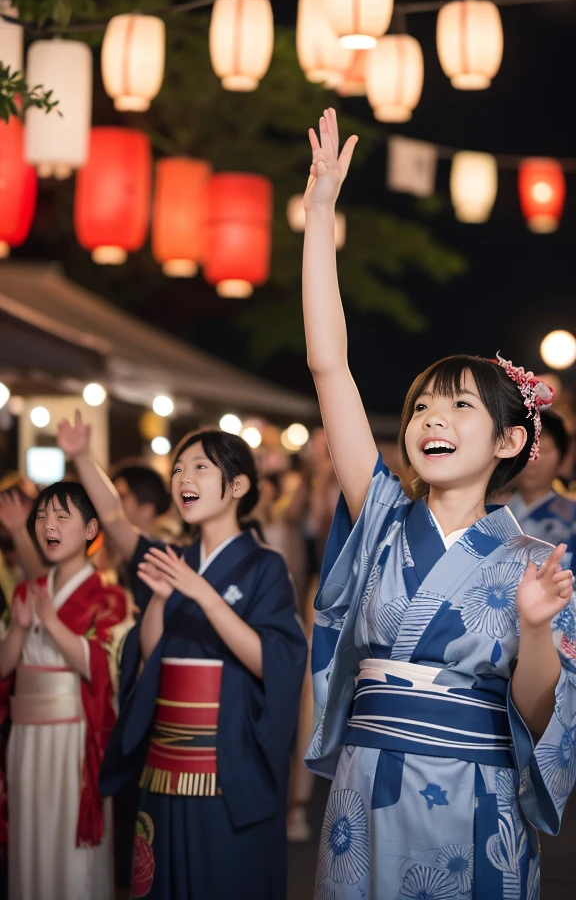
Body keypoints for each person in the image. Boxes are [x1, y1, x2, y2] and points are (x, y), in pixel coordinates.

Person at [302, 108, 576, 900]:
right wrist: (320, 216)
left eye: (459, 408)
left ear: (506, 443)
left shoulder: (537, 564)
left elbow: (533, 713)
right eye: (422, 406)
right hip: (368, 784)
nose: (431, 420)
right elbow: (330, 367)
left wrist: (532, 628)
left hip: (474, 797)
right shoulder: (382, 513)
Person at [57, 416, 308, 900]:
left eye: (200, 467)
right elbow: (152, 652)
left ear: (238, 486)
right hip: (166, 758)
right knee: (165, 877)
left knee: (223, 878)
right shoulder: (176, 559)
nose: (183, 479)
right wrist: (81, 456)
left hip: (228, 760)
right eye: (178, 469)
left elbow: (274, 662)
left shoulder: (265, 565)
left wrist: (206, 597)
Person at [0, 481, 126, 900]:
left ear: (91, 529)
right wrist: (19, 627)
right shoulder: (28, 591)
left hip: (74, 737)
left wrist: (51, 623)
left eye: (61, 516)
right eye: (42, 516)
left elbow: (103, 668)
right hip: (27, 735)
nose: (48, 525)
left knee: (70, 846)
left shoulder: (108, 597)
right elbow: (5, 667)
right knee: (30, 837)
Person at [507, 411, 576, 570]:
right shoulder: (490, 511)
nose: (534, 461)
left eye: (543, 450)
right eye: (527, 451)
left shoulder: (572, 517)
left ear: (563, 458)